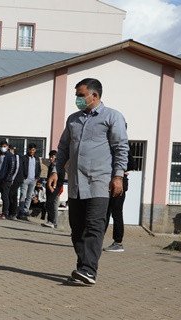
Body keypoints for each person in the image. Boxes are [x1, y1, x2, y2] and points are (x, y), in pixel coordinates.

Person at [48, 78, 129, 285]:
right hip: (76, 183)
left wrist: (118, 176)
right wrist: (56, 171)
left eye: (81, 95)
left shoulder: (112, 117)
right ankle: (83, 266)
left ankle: (88, 270)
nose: (77, 99)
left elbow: (121, 148)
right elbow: (63, 147)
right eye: (76, 95)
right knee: (77, 230)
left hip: (100, 183)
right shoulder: (73, 120)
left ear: (94, 95)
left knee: (94, 226)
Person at [104, 159, 135, 252]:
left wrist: (120, 171)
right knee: (105, 213)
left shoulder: (123, 150)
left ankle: (118, 242)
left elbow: (132, 164)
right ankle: (97, 238)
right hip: (111, 182)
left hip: (119, 184)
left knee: (116, 213)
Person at [18, 143, 41, 220]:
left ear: (35, 150)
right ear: (28, 149)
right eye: (30, 149)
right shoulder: (24, 158)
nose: (32, 151)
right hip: (25, 179)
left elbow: (39, 169)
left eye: (33, 150)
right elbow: (21, 168)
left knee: (29, 195)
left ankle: (26, 209)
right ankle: (21, 209)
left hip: (33, 180)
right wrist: (22, 177)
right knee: (23, 194)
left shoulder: (37, 159)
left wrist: (37, 177)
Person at [42, 150, 63, 228]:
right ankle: (51, 221)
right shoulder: (51, 165)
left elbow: (60, 178)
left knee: (51, 203)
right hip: (49, 186)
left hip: (55, 188)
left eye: (52, 157)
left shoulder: (59, 166)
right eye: (50, 157)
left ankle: (52, 221)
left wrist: (55, 188)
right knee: (49, 203)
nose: (51, 158)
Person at [6, 146, 22, 220]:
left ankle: (13, 213)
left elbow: (17, 168)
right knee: (11, 195)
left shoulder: (17, 157)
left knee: (12, 195)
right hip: (11, 179)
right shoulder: (10, 157)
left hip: (16, 179)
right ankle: (10, 212)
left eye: (9, 150)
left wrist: (12, 178)